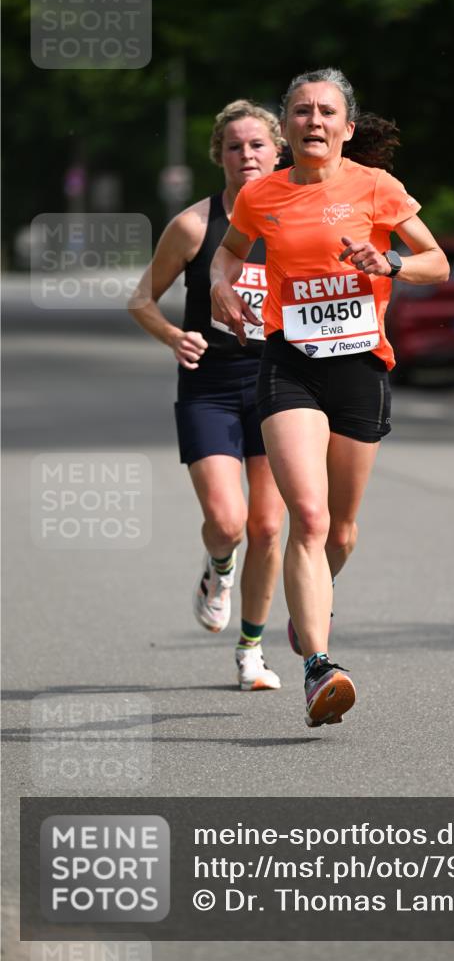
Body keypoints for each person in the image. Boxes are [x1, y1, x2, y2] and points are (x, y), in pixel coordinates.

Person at [210, 69, 449, 727]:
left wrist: (391, 264)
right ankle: (320, 665)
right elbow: (228, 255)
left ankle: (307, 605)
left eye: (326, 112)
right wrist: (220, 288)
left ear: (346, 127)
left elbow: (436, 261)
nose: (313, 121)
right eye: (301, 112)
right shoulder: (262, 194)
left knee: (340, 530)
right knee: (307, 520)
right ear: (284, 129)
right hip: (290, 364)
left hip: (360, 366)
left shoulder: (376, 189)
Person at [129, 100, 286, 691]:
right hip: (211, 387)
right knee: (228, 522)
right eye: (235, 146)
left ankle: (251, 650)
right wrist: (174, 335)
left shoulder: (299, 222)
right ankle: (218, 569)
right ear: (218, 155)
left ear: (278, 151)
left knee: (269, 528)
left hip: (280, 385)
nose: (247, 155)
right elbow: (141, 298)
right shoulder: (195, 225)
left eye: (258, 146)